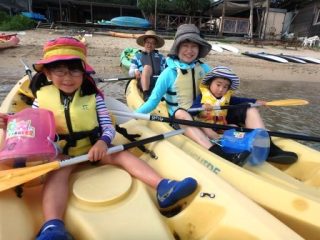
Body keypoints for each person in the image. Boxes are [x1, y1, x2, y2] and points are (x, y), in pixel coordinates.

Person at [0, 37, 197, 240]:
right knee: (56, 175)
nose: (68, 77)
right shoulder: (41, 99)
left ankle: (164, 187)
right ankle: (52, 225)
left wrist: (103, 142)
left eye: (75, 70)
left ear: (83, 73)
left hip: (94, 148)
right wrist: (10, 127)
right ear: (48, 73)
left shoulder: (94, 97)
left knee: (123, 155)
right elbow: (32, 130)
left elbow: (107, 127)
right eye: (60, 70)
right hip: (63, 155)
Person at [136, 24, 250, 166]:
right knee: (181, 114)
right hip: (181, 119)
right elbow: (153, 102)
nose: (190, 51)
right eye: (185, 45)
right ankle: (217, 151)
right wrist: (134, 114)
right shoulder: (169, 73)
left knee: (245, 109)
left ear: (199, 49)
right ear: (177, 48)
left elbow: (220, 91)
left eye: (194, 46)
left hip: (204, 115)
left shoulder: (204, 69)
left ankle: (258, 142)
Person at [190, 66, 298, 164]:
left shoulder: (227, 98)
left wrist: (257, 101)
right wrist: (202, 107)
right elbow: (191, 111)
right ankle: (221, 147)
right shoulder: (202, 98)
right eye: (218, 85)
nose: (221, 89)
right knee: (215, 128)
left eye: (225, 87)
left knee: (237, 123)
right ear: (210, 83)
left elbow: (242, 100)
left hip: (221, 126)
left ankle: (265, 147)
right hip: (206, 127)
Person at [128, 30, 166, 101]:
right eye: (148, 42)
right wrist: (136, 71)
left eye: (152, 43)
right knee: (147, 67)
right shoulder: (137, 56)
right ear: (144, 43)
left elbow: (166, 71)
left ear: (155, 45)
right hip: (144, 83)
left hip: (159, 83)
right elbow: (130, 72)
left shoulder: (162, 57)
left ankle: (163, 95)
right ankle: (146, 95)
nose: (149, 45)